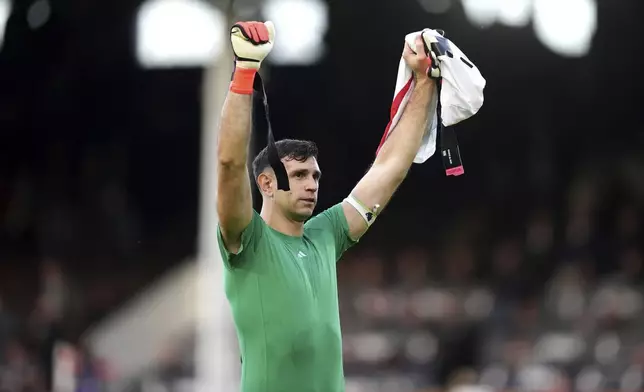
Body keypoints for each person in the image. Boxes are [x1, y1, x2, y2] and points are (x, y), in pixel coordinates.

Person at [217, 20, 438, 392]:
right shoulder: (247, 240)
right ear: (267, 183)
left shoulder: (325, 234)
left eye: (316, 177)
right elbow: (229, 164)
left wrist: (426, 81)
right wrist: (245, 71)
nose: (311, 185)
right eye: (300, 175)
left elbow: (390, 167)